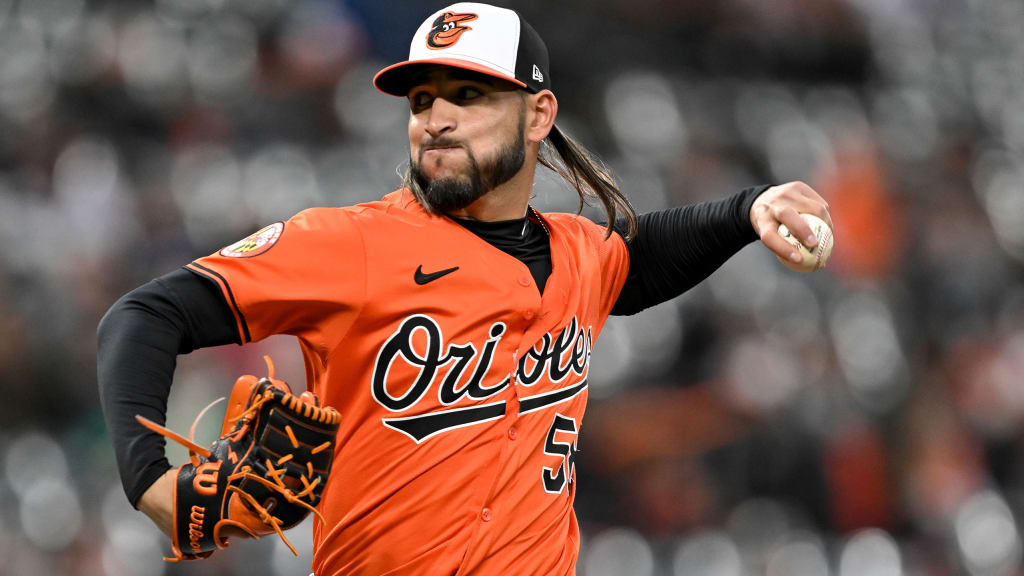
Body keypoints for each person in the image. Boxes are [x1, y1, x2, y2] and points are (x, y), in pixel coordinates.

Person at [97, 2, 832, 574]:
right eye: (421, 100)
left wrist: (748, 210)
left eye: (469, 95)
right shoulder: (352, 244)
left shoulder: (580, 255)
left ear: (539, 114)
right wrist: (149, 481)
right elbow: (145, 315)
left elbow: (641, 259)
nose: (436, 120)